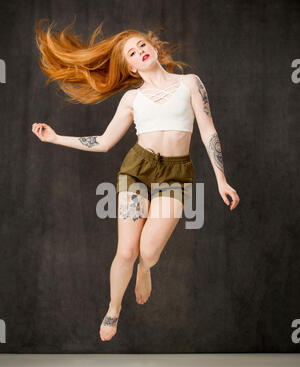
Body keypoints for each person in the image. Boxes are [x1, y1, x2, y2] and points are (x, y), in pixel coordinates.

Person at [32, 18, 240, 342]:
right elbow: (103, 142)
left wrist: (221, 181)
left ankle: (146, 268)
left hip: (176, 172)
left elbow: (208, 130)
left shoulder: (190, 84)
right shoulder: (132, 99)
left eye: (142, 44)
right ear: (129, 67)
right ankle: (114, 308)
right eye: (132, 52)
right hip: (137, 170)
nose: (140, 51)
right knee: (126, 251)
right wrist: (56, 138)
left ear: (154, 48)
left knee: (149, 250)